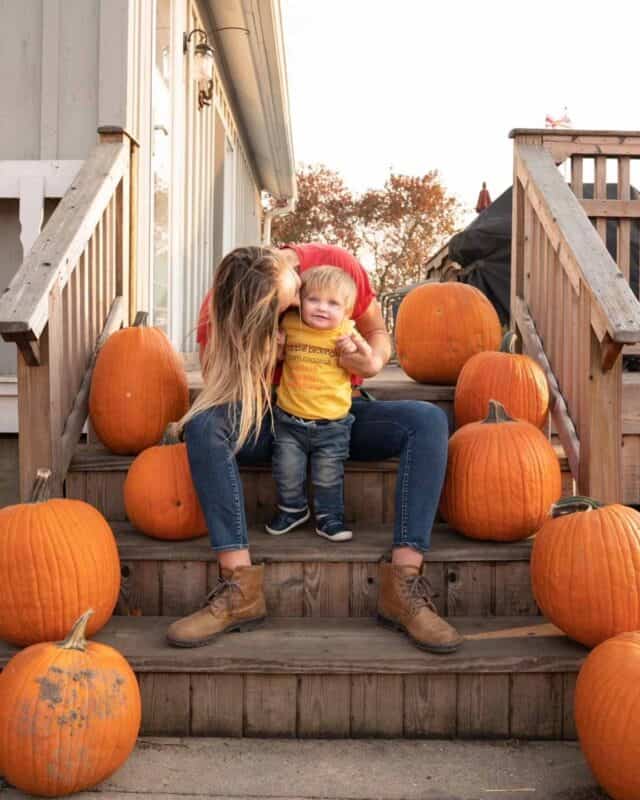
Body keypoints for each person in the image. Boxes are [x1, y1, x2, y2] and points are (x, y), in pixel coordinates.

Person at [166, 243, 462, 654]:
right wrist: (263, 356)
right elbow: (218, 381)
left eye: (286, 302)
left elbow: (377, 332)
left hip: (340, 416)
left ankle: (404, 587)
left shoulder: (338, 267)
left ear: (289, 271)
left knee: (428, 420)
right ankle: (238, 590)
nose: (291, 310)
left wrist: (372, 362)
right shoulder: (227, 299)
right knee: (203, 426)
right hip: (271, 415)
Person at [267, 266, 359, 542]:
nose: (321, 308)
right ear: (300, 300)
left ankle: (329, 517)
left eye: (333, 303)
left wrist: (353, 350)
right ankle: (292, 508)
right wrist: (279, 347)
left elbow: (361, 357)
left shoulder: (345, 332)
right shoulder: (291, 324)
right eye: (314, 299)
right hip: (289, 420)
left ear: (346, 311)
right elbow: (278, 360)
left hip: (332, 425)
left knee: (328, 475)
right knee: (286, 469)